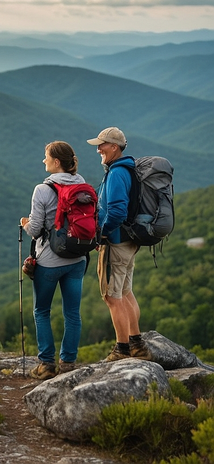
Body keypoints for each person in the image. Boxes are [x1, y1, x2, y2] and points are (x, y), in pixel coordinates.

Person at [20, 141, 87, 380]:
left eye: (46, 157)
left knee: (41, 311)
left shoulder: (42, 189)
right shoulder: (82, 184)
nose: (44, 161)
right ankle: (68, 362)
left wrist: (26, 224)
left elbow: (37, 228)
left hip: (49, 261)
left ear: (56, 162)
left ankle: (46, 364)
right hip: (78, 258)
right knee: (72, 313)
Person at [87, 127, 151, 361]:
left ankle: (122, 349)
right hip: (129, 241)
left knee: (112, 297)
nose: (98, 149)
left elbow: (115, 211)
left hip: (115, 241)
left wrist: (101, 235)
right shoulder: (128, 170)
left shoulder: (116, 173)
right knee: (125, 292)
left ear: (114, 147)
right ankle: (138, 345)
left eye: (102, 145)